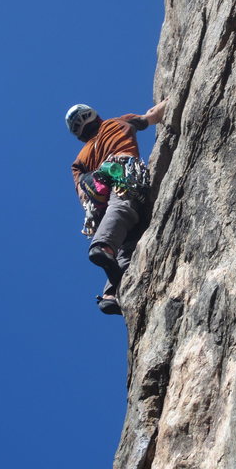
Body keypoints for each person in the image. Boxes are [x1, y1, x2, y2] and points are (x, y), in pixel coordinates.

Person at [66, 99, 167, 315]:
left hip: (96, 196)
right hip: (121, 170)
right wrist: (168, 102)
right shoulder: (118, 122)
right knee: (123, 207)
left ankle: (111, 295)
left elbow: (81, 190)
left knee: (127, 244)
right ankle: (103, 246)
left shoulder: (79, 160)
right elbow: (151, 117)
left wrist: (91, 205)